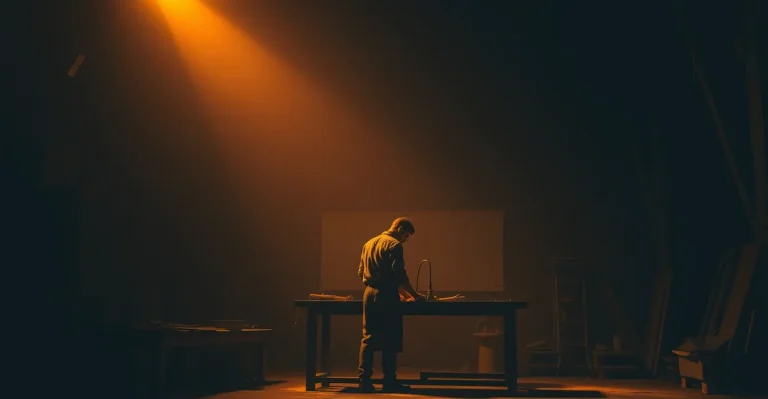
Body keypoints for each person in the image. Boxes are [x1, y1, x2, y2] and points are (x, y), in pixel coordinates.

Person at [356, 217, 426, 393]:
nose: (406, 239)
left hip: (369, 293)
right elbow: (399, 276)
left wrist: (400, 294)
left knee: (368, 338)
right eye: (407, 235)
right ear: (401, 229)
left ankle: (364, 382)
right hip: (386, 295)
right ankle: (389, 381)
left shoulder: (369, 243)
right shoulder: (394, 245)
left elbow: (360, 273)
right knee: (390, 338)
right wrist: (415, 295)